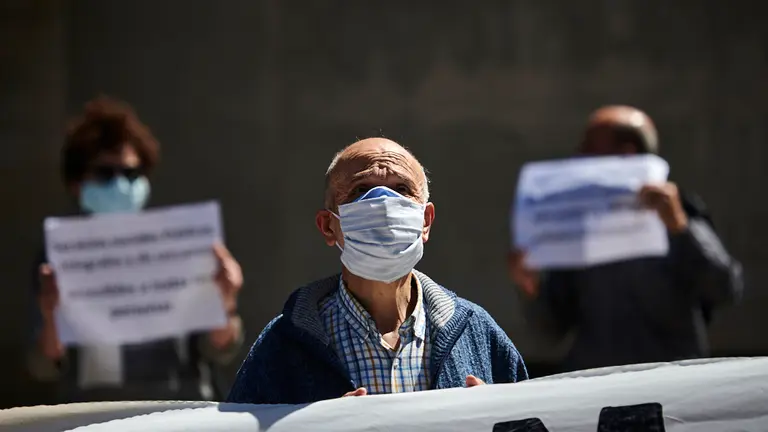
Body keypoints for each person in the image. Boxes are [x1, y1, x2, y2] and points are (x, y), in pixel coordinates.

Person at [228, 137, 528, 404]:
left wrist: (494, 419)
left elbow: (529, 422)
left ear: (425, 221)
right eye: (361, 190)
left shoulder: (476, 332)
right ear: (328, 226)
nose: (383, 203)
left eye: (402, 189)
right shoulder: (284, 343)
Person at [27, 96, 245, 402]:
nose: (120, 185)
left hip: (178, 411)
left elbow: (219, 348)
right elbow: (44, 365)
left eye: (131, 174)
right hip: (96, 414)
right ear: (77, 183)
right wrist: (51, 316)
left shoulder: (178, 244)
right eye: (106, 174)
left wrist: (225, 301)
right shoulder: (57, 257)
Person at [509, 105, 744, 372]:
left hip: (671, 383)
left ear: (626, 154)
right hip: (597, 384)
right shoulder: (576, 227)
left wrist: (681, 229)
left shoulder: (678, 212)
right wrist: (530, 288)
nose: (578, 156)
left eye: (589, 148)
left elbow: (725, 289)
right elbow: (551, 331)